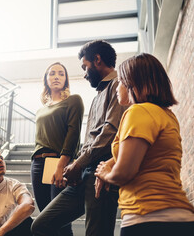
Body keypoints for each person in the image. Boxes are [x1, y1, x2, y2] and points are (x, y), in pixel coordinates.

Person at [31, 40, 127, 236]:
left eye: (85, 66)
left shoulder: (118, 85)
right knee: (40, 225)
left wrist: (77, 162)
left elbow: (110, 132)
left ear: (97, 60)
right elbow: (90, 139)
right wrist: (79, 165)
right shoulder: (97, 96)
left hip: (101, 171)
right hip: (84, 172)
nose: (84, 73)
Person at [94, 53, 194, 236]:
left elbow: (124, 173)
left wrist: (105, 173)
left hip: (148, 217)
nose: (117, 86)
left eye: (121, 81)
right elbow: (148, 154)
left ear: (134, 83)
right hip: (178, 216)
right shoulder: (165, 114)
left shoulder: (138, 112)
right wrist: (110, 162)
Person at [31, 62, 84, 235]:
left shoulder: (73, 101)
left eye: (61, 74)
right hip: (38, 164)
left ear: (66, 79)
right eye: (52, 73)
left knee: (59, 219)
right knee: (45, 219)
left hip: (58, 161)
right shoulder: (40, 110)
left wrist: (62, 165)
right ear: (46, 79)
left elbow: (73, 134)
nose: (56, 77)